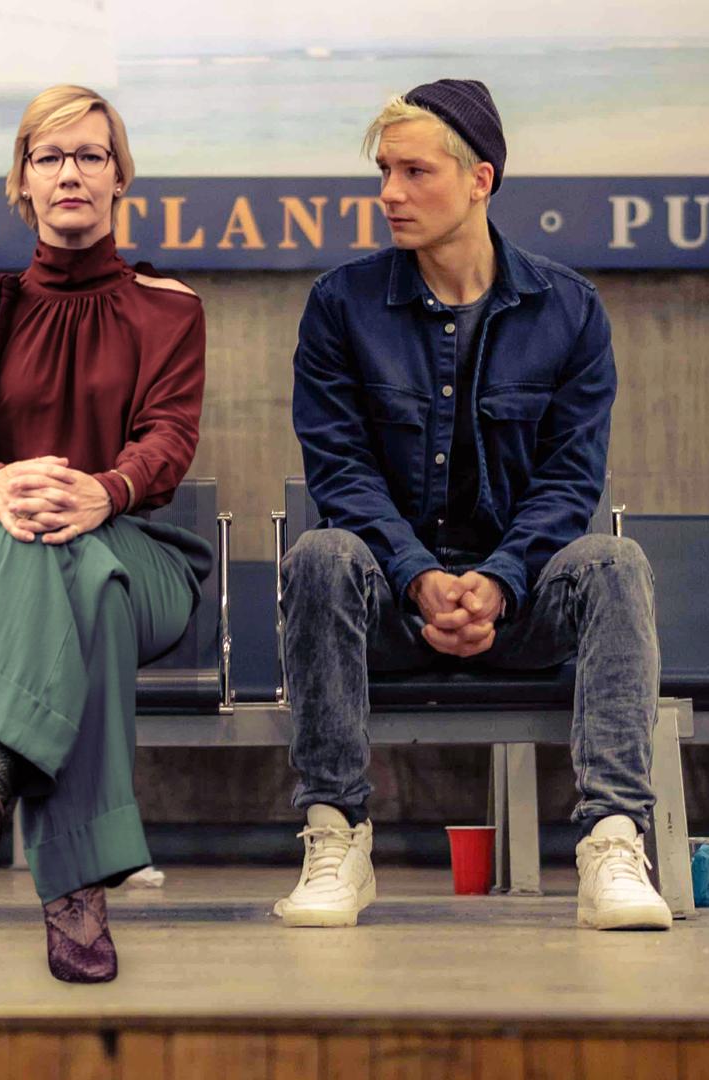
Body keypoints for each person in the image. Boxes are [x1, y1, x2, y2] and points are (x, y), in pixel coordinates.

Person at [277, 79, 670, 932]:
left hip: (520, 609)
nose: (390, 193)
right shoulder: (341, 305)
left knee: (615, 561)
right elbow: (340, 473)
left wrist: (499, 579)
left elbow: (571, 480)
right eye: (384, 172)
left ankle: (612, 843)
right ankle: (337, 837)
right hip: (388, 608)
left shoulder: (569, 310)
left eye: (415, 172)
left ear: (479, 179)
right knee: (320, 554)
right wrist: (419, 577)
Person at [0, 84, 209, 983]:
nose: (70, 172)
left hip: (142, 552)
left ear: (120, 178)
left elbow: (169, 439)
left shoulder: (170, 308)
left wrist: (104, 492)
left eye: (89, 155)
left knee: (94, 567)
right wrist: (0, 484)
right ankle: (76, 889)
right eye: (50, 157)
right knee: (80, 586)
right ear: (23, 182)